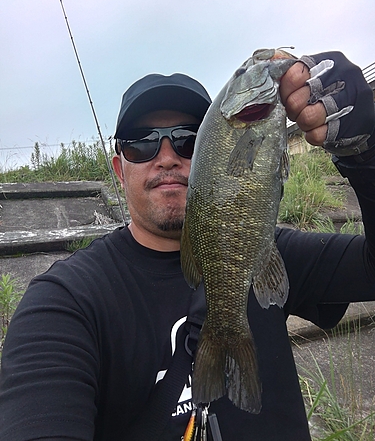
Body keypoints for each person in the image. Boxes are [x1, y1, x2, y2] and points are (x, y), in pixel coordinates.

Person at [0, 51, 375, 441]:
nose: (166, 158)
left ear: (213, 150)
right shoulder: (65, 302)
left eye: (187, 140)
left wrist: (367, 156)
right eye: (140, 144)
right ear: (119, 170)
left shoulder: (268, 249)